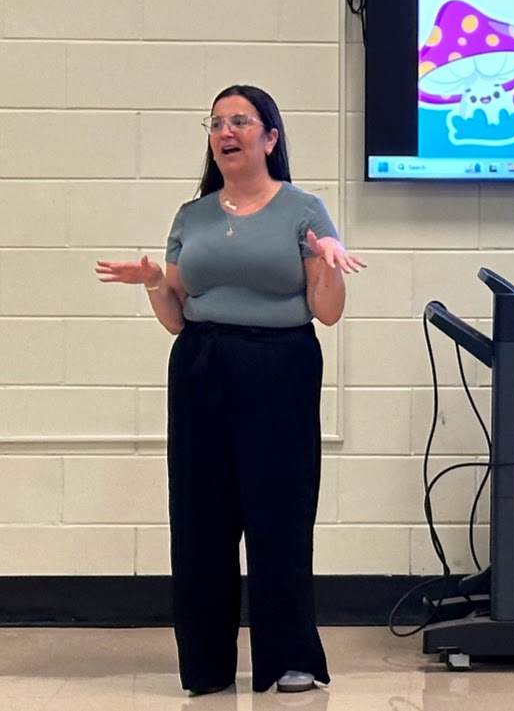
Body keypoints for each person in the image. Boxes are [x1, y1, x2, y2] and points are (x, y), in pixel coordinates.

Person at [95, 85, 364, 695]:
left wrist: (324, 260)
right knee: (201, 518)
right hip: (202, 366)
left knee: (280, 511)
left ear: (270, 137)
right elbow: (175, 315)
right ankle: (208, 666)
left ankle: (289, 657)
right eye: (217, 122)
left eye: (240, 120)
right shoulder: (192, 216)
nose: (226, 131)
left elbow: (326, 313)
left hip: (281, 367)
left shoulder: (303, 210)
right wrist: (151, 281)